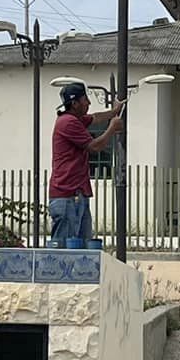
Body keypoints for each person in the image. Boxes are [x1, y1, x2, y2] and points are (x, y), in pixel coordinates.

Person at [48, 82, 124, 248]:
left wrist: (114, 111)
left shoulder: (75, 120)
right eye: (85, 100)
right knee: (65, 250)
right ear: (75, 103)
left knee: (82, 248)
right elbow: (94, 147)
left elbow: (95, 118)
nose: (88, 103)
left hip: (76, 194)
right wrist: (112, 129)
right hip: (67, 195)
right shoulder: (68, 122)